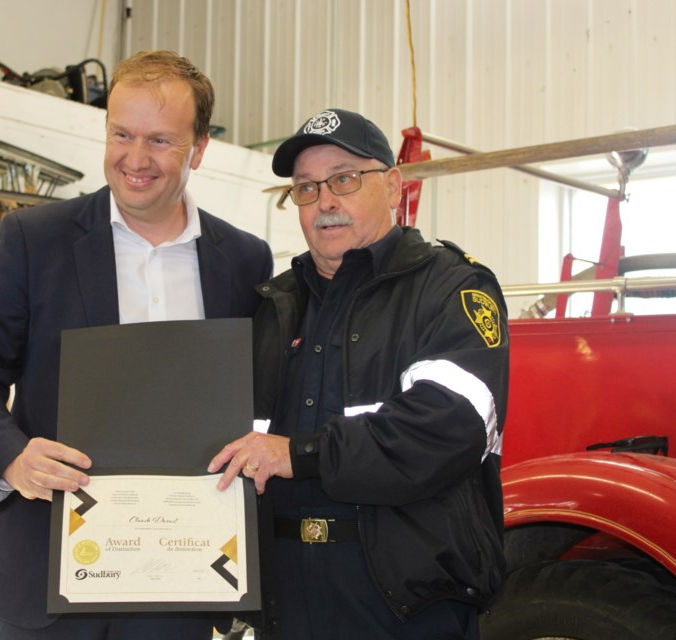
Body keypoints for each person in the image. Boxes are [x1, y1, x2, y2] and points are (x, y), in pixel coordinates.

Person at [0, 50, 273, 640]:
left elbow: (253, 399)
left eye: (160, 141)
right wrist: (12, 457)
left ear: (199, 149)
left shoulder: (244, 261)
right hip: (44, 577)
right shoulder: (33, 240)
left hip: (180, 583)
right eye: (121, 134)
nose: (135, 159)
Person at [209, 108, 509, 639]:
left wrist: (298, 454)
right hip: (286, 600)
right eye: (305, 188)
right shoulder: (273, 306)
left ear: (393, 186)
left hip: (405, 606)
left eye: (344, 178)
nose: (324, 201)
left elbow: (445, 429)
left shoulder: (450, 290)